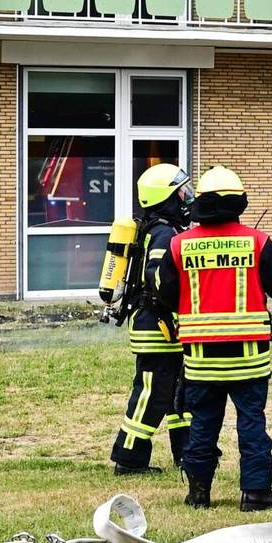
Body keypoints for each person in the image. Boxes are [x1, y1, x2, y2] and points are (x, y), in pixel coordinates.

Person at [165, 166, 272, 511]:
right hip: (248, 358)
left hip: (201, 360)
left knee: (203, 425)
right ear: (239, 203)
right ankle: (255, 494)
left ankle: (199, 493)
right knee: (252, 424)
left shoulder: (179, 245)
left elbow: (164, 293)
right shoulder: (257, 241)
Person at [106, 163, 196, 476]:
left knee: (178, 392)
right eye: (181, 193)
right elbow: (158, 280)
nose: (188, 198)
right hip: (155, 325)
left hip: (163, 325)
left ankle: (185, 452)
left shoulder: (164, 230)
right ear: (166, 198)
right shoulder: (163, 234)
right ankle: (129, 458)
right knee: (153, 392)